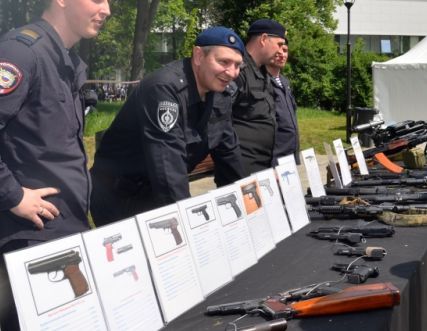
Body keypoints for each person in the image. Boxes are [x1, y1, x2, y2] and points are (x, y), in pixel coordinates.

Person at [0, 0, 113, 331]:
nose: (106, 9)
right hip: (25, 236)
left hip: (60, 230)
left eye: (109, 0)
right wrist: (12, 196)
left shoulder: (63, 60)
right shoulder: (20, 53)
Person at [89, 26, 246, 226]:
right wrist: (188, 223)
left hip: (154, 192)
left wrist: (240, 206)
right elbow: (167, 166)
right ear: (198, 56)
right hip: (119, 197)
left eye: (237, 65)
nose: (232, 72)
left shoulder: (220, 93)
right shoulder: (164, 89)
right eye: (223, 62)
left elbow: (229, 155)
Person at [232, 19, 287, 173]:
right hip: (242, 170)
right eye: (279, 44)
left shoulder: (263, 74)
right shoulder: (238, 72)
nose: (281, 51)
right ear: (263, 39)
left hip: (264, 167)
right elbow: (220, 118)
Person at [267, 43, 301, 165]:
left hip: (289, 156)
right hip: (272, 160)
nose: (282, 54)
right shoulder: (261, 83)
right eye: (278, 50)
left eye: (285, 50)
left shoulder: (284, 83)